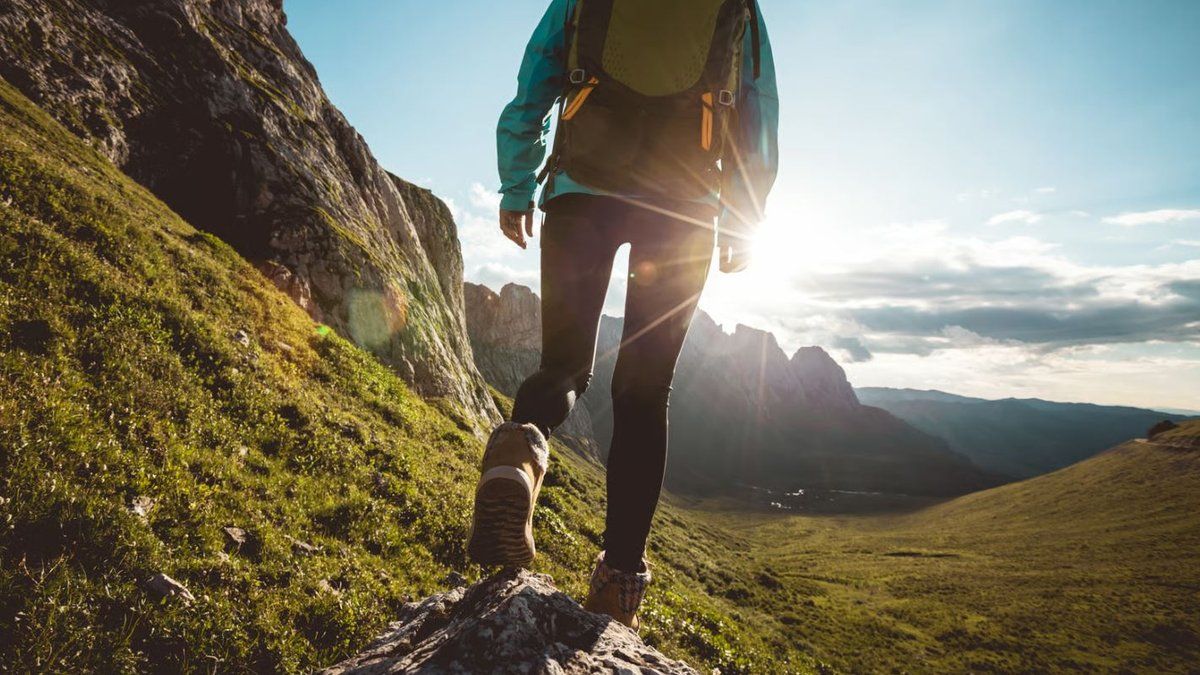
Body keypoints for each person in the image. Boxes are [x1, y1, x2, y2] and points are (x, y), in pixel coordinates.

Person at [468, 0, 778, 630]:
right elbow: (758, 113)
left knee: (563, 367)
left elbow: (537, 75)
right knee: (642, 393)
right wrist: (745, 215)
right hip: (685, 208)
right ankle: (618, 585)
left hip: (582, 191)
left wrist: (517, 183)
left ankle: (517, 457)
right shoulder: (739, 7)